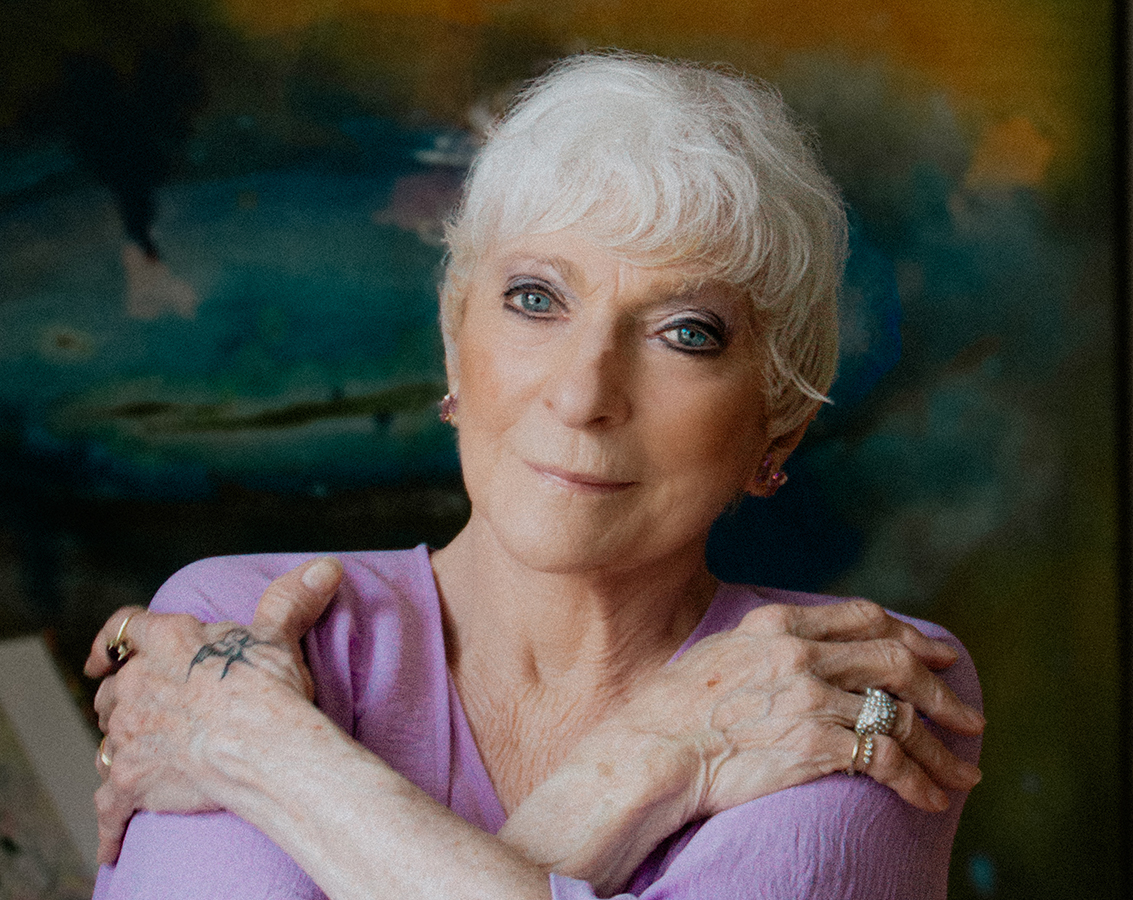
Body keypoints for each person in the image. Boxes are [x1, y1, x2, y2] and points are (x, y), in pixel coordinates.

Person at [85, 52, 983, 900]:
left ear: (775, 421)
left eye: (686, 332)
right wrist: (643, 770)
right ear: (455, 342)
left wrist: (262, 752)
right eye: (535, 299)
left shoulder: (844, 682)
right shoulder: (241, 620)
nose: (583, 393)